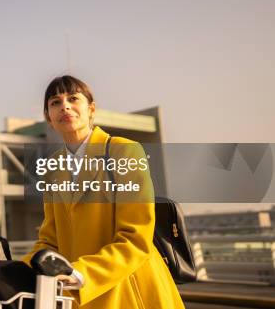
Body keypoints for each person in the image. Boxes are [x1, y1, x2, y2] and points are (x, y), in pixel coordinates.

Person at [22, 75, 184, 309]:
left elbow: (135, 238)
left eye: (73, 98)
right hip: (78, 291)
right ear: (49, 118)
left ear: (91, 109)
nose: (64, 106)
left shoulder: (125, 151)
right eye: (55, 102)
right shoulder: (54, 169)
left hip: (129, 289)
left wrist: (81, 273)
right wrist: (16, 270)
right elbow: (50, 241)